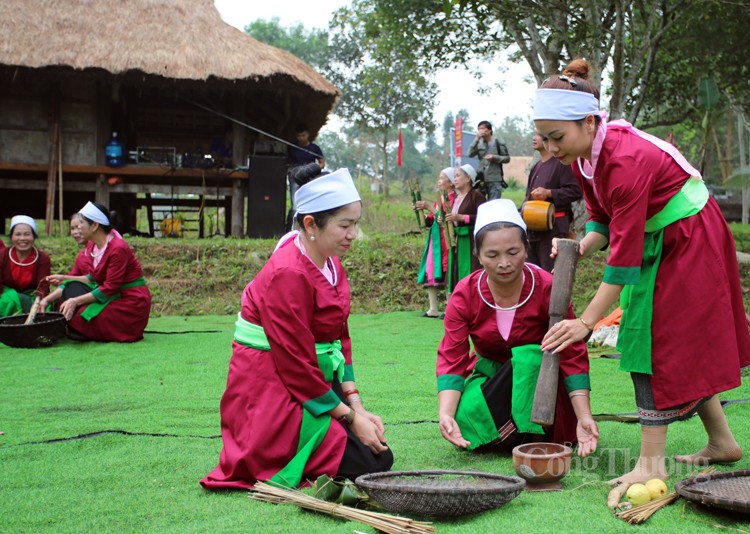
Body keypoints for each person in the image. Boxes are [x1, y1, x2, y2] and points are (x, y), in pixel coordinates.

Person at [534, 59, 750, 505]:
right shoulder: (582, 157)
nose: (552, 149)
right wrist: (578, 246)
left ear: (590, 122)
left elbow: (624, 259)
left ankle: (651, 464)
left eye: (559, 138)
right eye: (545, 140)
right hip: (662, 237)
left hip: (689, 236)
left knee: (649, 339)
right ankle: (722, 442)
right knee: (671, 339)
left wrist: (587, 323)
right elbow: (601, 220)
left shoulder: (627, 160)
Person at [201, 169, 393, 490]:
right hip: (273, 386)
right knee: (370, 462)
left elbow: (339, 338)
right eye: (344, 226)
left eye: (355, 224)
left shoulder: (330, 261)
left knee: (379, 455)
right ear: (310, 225)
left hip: (311, 380)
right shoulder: (287, 272)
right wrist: (349, 418)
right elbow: (294, 362)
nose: (353, 235)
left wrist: (356, 405)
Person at [436, 199, 598, 454]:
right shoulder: (465, 293)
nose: (504, 262)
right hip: (491, 381)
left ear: (526, 248)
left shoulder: (547, 287)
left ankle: (515, 432)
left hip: (540, 385)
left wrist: (584, 415)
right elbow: (452, 355)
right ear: (478, 255)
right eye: (492, 254)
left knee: (530, 356)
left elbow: (572, 352)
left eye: (513, 252)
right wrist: (446, 414)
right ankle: (512, 432)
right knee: (467, 421)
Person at [56, 202, 151, 342]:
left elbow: (109, 288)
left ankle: (82, 329)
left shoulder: (117, 248)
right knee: (71, 288)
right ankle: (77, 328)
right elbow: (93, 278)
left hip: (130, 302)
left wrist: (76, 301)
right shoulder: (93, 246)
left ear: (94, 226)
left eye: (81, 223)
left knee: (80, 314)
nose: (78, 228)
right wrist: (64, 278)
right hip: (112, 294)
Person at [524, 131, 583, 271]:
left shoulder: (562, 163)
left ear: (548, 140)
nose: (534, 138)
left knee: (551, 275)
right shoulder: (536, 167)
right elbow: (528, 197)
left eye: (538, 135)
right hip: (533, 229)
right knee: (533, 274)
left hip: (553, 230)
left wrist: (549, 193)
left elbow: (576, 191)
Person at [414, 167, 457, 318]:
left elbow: (444, 218)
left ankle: (449, 308)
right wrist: (422, 213)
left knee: (447, 271)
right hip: (435, 240)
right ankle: (433, 308)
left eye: (442, 178)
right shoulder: (440, 199)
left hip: (446, 240)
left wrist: (430, 207)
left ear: (451, 182)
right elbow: (433, 219)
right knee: (431, 269)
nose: (439, 181)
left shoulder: (454, 199)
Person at [40, 213, 94, 311]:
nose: (75, 232)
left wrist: (64, 278)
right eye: (72, 229)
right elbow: (69, 282)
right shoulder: (81, 256)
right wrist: (47, 299)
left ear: (93, 226)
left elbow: (94, 280)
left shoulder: (101, 250)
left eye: (79, 228)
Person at [445, 164, 486, 292]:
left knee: (471, 270)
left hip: (470, 240)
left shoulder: (476, 196)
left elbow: (483, 216)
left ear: (468, 178)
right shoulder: (456, 198)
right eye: (454, 177)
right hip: (457, 240)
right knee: (456, 271)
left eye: (458, 176)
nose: (455, 179)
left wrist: (463, 218)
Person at [0, 216, 50, 315]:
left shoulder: (42, 258)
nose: (22, 239)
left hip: (31, 299)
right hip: (5, 298)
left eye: (27, 234)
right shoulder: (2, 255)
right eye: (17, 234)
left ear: (34, 237)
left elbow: (43, 286)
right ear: (11, 237)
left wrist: (37, 304)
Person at [286, 124, 325, 231]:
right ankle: (291, 230)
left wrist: (314, 169)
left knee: (310, 204)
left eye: (303, 135)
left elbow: (322, 163)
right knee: (295, 206)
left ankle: (307, 229)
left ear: (307, 134)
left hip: (310, 178)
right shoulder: (292, 147)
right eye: (299, 136)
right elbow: (286, 163)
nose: (301, 138)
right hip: (295, 177)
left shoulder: (314, 148)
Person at [468, 120, 511, 200]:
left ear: (490, 130)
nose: (480, 131)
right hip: (481, 179)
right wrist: (476, 139)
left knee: (493, 204)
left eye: (483, 128)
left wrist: (494, 157)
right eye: (479, 129)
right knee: (479, 203)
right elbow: (469, 154)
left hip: (494, 179)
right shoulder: (478, 143)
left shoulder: (498, 142)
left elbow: (507, 158)